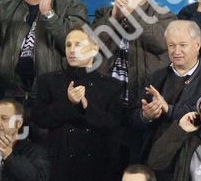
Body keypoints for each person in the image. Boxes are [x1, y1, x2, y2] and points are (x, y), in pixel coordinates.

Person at [29, 28, 127, 181]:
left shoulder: (111, 86)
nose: (72, 50)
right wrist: (69, 104)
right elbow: (39, 118)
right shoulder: (48, 81)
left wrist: (87, 107)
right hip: (58, 166)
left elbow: (113, 125)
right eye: (68, 45)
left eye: (78, 44)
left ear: (94, 49)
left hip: (96, 167)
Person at [88, 0, 175, 107]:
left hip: (141, 100)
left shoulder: (164, 16)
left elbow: (160, 42)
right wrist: (114, 18)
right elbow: (92, 45)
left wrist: (132, 13)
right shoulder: (105, 13)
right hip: (105, 99)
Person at [139, 20, 201, 149]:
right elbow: (133, 116)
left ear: (197, 45)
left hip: (198, 152)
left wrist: (169, 110)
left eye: (183, 45)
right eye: (171, 45)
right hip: (159, 153)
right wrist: (145, 116)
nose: (176, 51)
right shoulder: (155, 77)